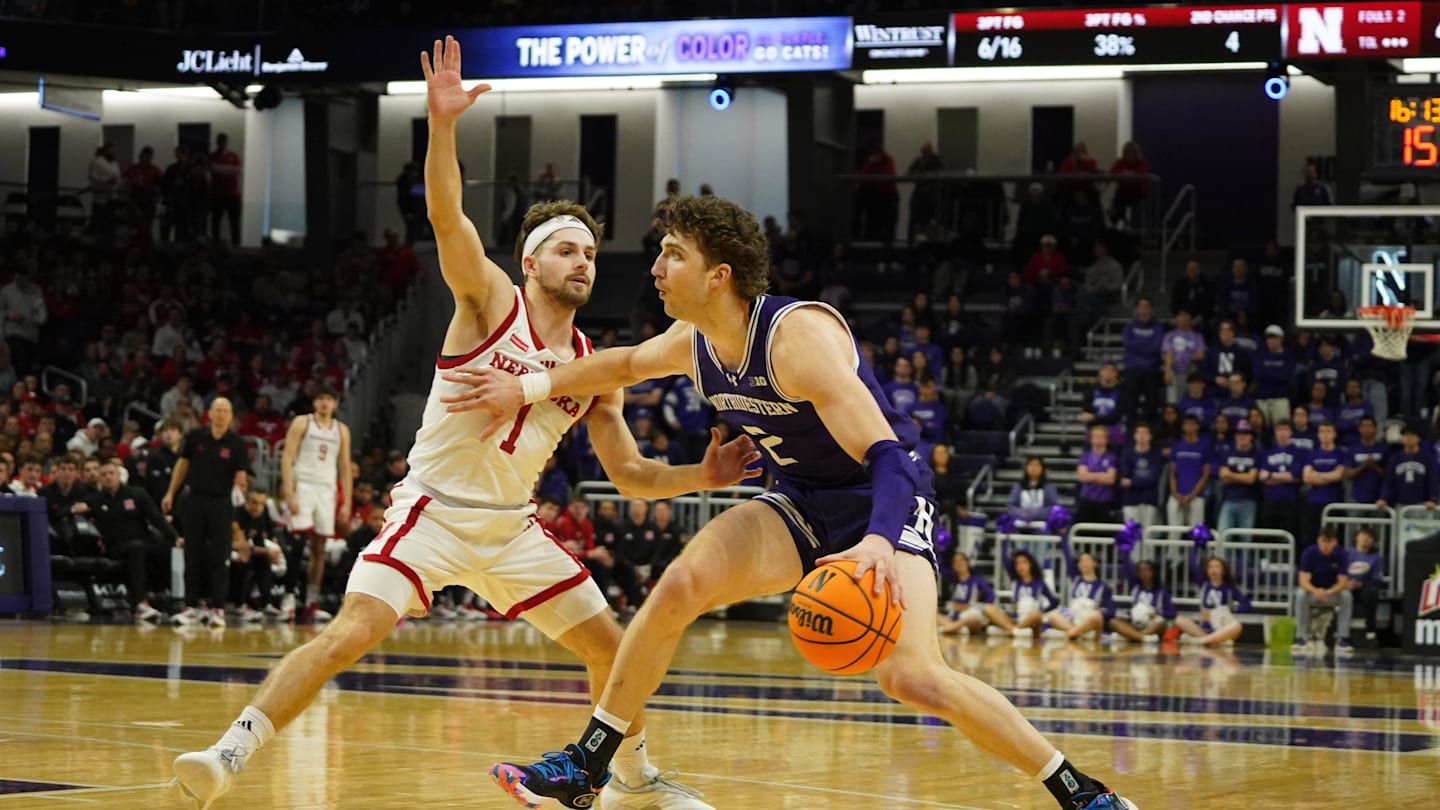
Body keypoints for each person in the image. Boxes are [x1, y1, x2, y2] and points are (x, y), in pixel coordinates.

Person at [171, 38, 752, 810]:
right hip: (433, 512)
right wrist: (441, 128)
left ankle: (633, 781)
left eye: (590, 251)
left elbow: (629, 476)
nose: (585, 260)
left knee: (613, 647)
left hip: (512, 531)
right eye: (568, 250)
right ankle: (228, 753)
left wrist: (702, 478)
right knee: (349, 634)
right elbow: (446, 214)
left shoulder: (591, 365)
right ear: (533, 261)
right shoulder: (488, 300)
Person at [447, 192, 1136, 810]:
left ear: (718, 275)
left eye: (672, 254)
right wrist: (530, 389)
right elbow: (623, 365)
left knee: (913, 676)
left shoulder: (797, 339)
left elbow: (890, 457)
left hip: (878, 506)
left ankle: (1081, 793)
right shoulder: (694, 342)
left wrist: (875, 543)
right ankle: (586, 768)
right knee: (681, 583)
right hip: (801, 502)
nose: (654, 266)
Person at [162, 398, 251, 628]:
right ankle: (191, 606)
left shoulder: (237, 443)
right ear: (209, 413)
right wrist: (171, 492)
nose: (221, 414)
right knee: (192, 553)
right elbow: (182, 466)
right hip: (195, 500)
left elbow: (243, 474)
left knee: (220, 555)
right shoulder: (195, 437)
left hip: (221, 503)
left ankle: (217, 608)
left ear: (231, 416)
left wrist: (241, 483)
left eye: (226, 411)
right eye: (217, 410)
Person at [278, 387, 353, 624]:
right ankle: (289, 597)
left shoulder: (341, 430)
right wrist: (288, 490)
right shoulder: (302, 422)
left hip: (326, 489)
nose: (324, 403)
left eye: (329, 399)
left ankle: (312, 600)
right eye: (321, 398)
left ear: (335, 404)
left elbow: (345, 467)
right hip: (303, 485)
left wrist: (346, 501)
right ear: (314, 403)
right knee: (298, 543)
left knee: (320, 547)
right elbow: (287, 457)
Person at [80, 458, 180, 622]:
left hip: (144, 543)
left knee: (170, 550)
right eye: (103, 474)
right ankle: (140, 604)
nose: (108, 477)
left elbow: (157, 518)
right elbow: (64, 511)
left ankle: (177, 601)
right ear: (99, 478)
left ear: (119, 475)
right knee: (136, 548)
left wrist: (175, 538)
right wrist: (75, 508)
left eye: (111, 473)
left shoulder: (137, 493)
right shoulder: (94, 501)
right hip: (116, 548)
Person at [1291, 525, 1353, 652]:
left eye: (1329, 542)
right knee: (1300, 594)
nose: (1325, 545)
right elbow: (1303, 580)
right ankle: (1300, 637)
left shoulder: (1342, 554)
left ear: (1335, 542)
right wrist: (1315, 591)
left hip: (1331, 593)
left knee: (1347, 596)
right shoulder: (1309, 552)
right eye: (1323, 541)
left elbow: (1342, 582)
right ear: (1318, 540)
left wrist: (1328, 592)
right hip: (1313, 592)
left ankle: (1342, 638)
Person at [1044, 535, 1115, 642]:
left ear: (1094, 563)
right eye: (1081, 561)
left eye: (1087, 560)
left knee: (1097, 616)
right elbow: (1067, 557)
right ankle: (1077, 632)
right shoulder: (1076, 579)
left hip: (1089, 620)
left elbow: (1111, 610)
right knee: (1052, 615)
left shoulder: (1103, 586)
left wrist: (1098, 611)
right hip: (1073, 619)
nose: (1084, 564)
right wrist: (1063, 535)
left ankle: (1073, 633)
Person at [983, 543, 1059, 639]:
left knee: (1037, 616)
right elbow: (1004, 559)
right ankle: (1013, 629)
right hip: (1016, 618)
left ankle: (1013, 630)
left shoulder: (1039, 583)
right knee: (987, 608)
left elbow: (1054, 602)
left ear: (1030, 564)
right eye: (1017, 563)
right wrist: (1006, 538)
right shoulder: (1015, 581)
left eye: (1024, 562)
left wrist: (1042, 611)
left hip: (1031, 619)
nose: (1020, 566)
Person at [1174, 554, 1251, 646]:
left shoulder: (1229, 589)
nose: (1213, 569)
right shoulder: (1204, 584)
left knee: (1236, 626)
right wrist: (1196, 546)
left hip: (1221, 626)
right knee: (1178, 619)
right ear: (1207, 570)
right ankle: (1213, 640)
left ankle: (1202, 641)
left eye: (1217, 567)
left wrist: (1230, 610)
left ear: (1223, 571)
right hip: (1204, 627)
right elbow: (1193, 565)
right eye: (1210, 567)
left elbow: (1246, 605)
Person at [1109, 550, 1174, 644]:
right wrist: (1125, 552)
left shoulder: (1161, 591)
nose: (1144, 573)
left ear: (1153, 572)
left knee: (1162, 623)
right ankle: (1142, 638)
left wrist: (1155, 613)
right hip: (1136, 622)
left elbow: (1172, 612)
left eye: (1147, 570)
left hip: (1152, 623)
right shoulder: (1135, 587)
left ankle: (1131, 636)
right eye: (1141, 571)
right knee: (1113, 622)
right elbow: (1127, 569)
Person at [938, 552, 995, 636]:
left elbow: (991, 596)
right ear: (953, 566)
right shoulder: (951, 581)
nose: (959, 563)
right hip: (954, 615)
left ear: (967, 563)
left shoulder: (976, 580)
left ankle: (951, 628)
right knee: (935, 615)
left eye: (962, 560)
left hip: (970, 614)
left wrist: (970, 606)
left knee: (972, 619)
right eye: (955, 562)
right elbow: (939, 567)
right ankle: (956, 628)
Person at [1119, 423, 1164, 528]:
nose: (1142, 436)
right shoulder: (1127, 454)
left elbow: (1153, 479)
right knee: (1131, 536)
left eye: (1145, 433)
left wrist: (1132, 482)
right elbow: (1125, 477)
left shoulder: (1156, 455)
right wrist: (1141, 481)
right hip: (1130, 501)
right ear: (1134, 436)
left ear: (1150, 436)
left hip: (1149, 501)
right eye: (1139, 433)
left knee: (1147, 536)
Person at [1345, 527, 1385, 644]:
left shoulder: (1376, 558)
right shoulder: (1346, 553)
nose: (1366, 538)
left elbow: (1377, 579)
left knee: (1371, 593)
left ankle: (1370, 629)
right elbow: (1339, 573)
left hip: (1364, 587)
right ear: (1357, 537)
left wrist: (1360, 584)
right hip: (1345, 586)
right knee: (1343, 594)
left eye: (1370, 537)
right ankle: (1338, 630)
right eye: (1364, 535)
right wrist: (1346, 583)